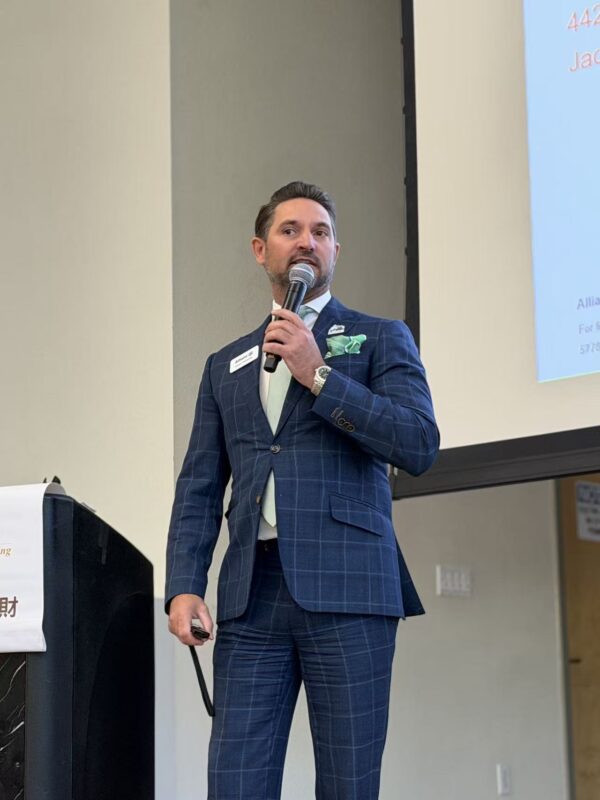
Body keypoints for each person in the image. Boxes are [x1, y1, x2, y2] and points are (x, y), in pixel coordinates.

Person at [165, 181, 439, 800]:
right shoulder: (225, 364)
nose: (306, 241)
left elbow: (419, 443)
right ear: (261, 250)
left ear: (336, 250)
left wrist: (319, 375)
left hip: (350, 589)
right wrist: (184, 584)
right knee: (235, 782)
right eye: (290, 230)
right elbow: (199, 486)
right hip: (251, 596)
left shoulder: (379, 337)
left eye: (320, 231)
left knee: (347, 783)